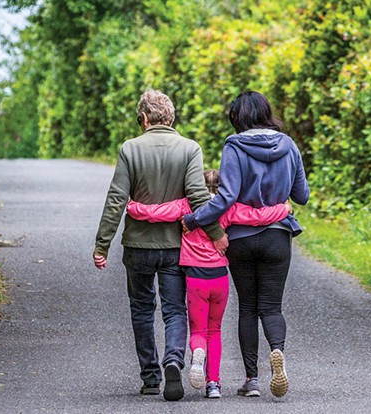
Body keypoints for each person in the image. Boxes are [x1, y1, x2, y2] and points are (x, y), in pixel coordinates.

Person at [93, 89, 227, 401]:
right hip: (174, 247)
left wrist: (102, 245)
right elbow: (197, 196)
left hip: (137, 246)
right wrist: (216, 233)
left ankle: (151, 378)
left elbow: (116, 200)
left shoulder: (130, 149)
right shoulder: (189, 149)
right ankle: (173, 360)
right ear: (171, 118)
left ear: (144, 118)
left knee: (141, 308)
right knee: (174, 309)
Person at [182, 91, 310, 398]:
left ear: (237, 118)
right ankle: (277, 352)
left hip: (240, 238)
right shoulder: (289, 145)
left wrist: (195, 220)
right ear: (267, 112)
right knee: (272, 306)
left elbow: (226, 198)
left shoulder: (234, 145)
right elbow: (302, 195)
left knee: (248, 308)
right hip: (277, 235)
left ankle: (252, 380)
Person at [126, 169, 293, 399]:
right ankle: (213, 384)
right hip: (219, 278)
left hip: (195, 278)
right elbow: (256, 216)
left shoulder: (186, 206)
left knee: (198, 330)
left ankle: (197, 355)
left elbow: (157, 212)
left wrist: (133, 206)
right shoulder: (228, 207)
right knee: (215, 329)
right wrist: (282, 209)